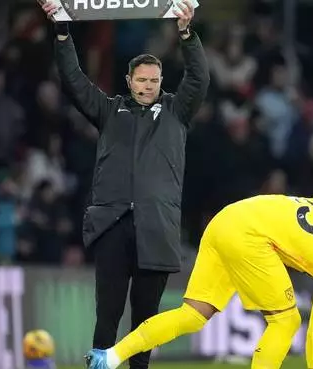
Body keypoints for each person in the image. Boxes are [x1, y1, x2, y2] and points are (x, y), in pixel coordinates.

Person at [38, 2, 209, 369]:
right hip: (113, 225)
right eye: (141, 79)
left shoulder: (177, 112)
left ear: (161, 81)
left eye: (154, 80)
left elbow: (199, 79)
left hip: (156, 229)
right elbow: (74, 81)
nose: (148, 86)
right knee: (107, 316)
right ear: (128, 81)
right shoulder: (107, 110)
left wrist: (186, 34)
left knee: (146, 321)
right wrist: (63, 32)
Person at [84, 194, 313, 369]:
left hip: (225, 220)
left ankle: (110, 356)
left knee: (193, 315)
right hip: (249, 237)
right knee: (287, 321)